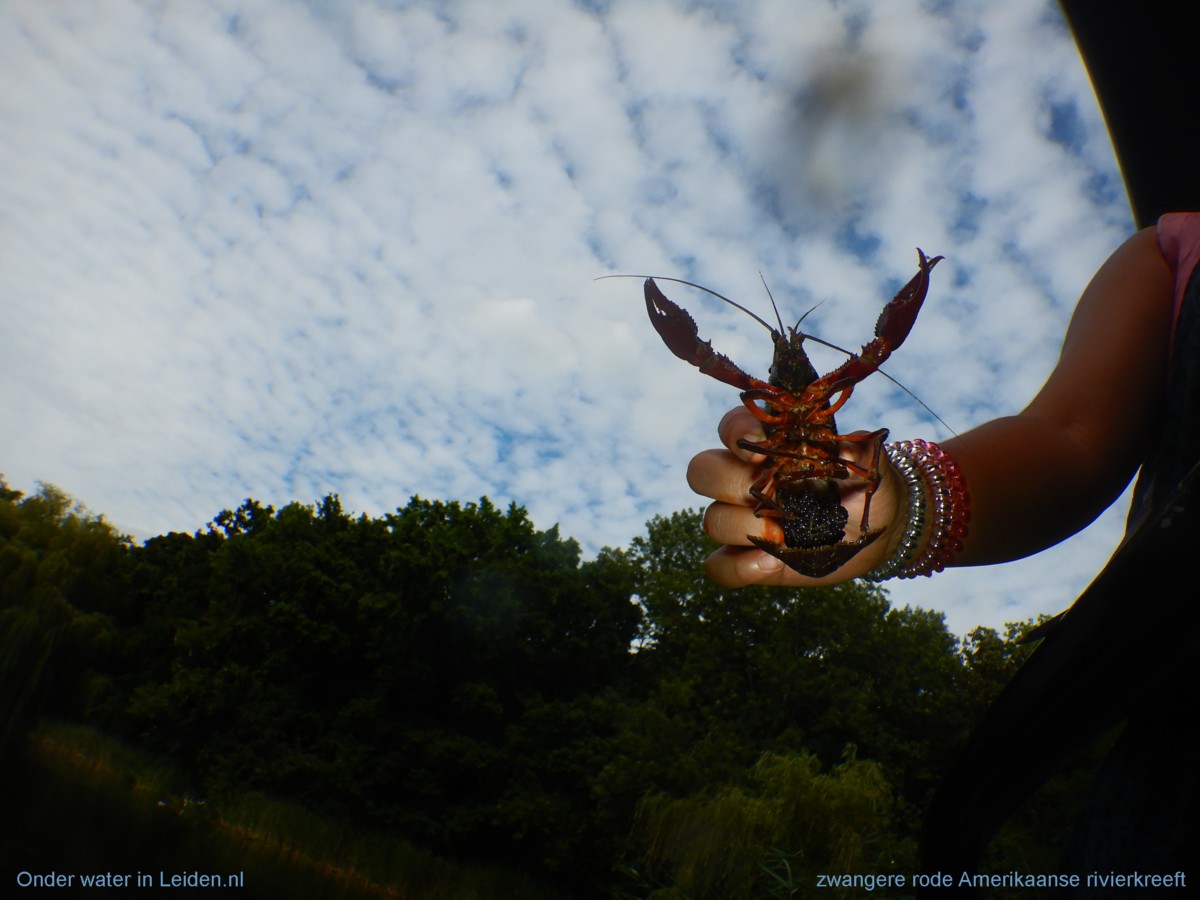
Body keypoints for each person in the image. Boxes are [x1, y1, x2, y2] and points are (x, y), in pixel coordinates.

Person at [687, 216, 1200, 890]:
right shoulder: (1168, 252)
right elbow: (1071, 439)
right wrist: (898, 510)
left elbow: (871, 361)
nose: (791, 357)